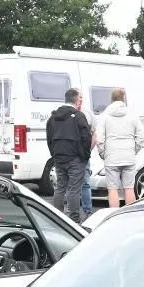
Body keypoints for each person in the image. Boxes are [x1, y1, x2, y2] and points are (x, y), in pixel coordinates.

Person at [45, 88, 91, 220]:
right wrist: (85, 155)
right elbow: (86, 137)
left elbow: (49, 138)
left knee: (60, 187)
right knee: (74, 189)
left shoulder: (52, 118)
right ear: (77, 101)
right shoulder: (78, 116)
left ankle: (57, 218)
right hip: (75, 159)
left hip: (59, 158)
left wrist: (54, 154)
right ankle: (74, 219)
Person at [94, 88, 144, 207]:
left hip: (111, 157)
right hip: (129, 157)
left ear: (111, 100)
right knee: (129, 188)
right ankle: (128, 215)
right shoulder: (133, 115)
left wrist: (103, 153)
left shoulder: (104, 116)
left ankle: (114, 214)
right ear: (124, 99)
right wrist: (134, 150)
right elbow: (141, 136)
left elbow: (99, 138)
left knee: (112, 189)